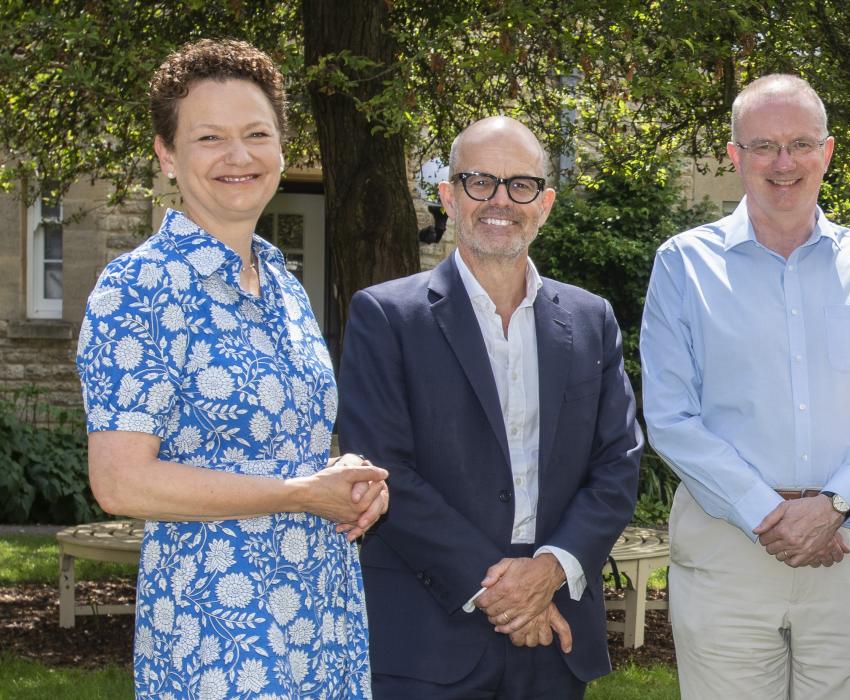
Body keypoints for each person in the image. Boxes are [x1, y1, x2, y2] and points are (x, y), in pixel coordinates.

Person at [75, 38, 386, 698]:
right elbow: (121, 482)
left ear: (280, 148)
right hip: (219, 628)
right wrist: (299, 494)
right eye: (210, 137)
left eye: (256, 134)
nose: (239, 156)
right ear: (166, 154)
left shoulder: (282, 283)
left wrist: (346, 481)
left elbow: (282, 444)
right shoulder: (139, 288)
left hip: (318, 613)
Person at [336, 116, 642, 699]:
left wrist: (549, 572)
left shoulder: (590, 320)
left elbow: (618, 464)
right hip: (430, 627)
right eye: (480, 182)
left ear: (545, 203)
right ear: (448, 197)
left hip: (556, 629)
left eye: (520, 185)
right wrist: (503, 591)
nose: (501, 200)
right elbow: (382, 471)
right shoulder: (386, 316)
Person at [640, 73, 850, 698]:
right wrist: (771, 515)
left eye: (800, 143)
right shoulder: (683, 265)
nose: (783, 162)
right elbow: (669, 416)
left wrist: (834, 505)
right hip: (726, 549)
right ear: (735, 155)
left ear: (827, 151)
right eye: (763, 145)